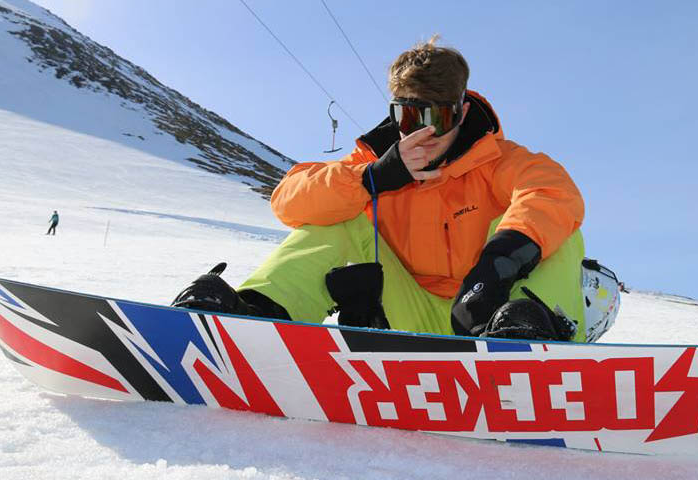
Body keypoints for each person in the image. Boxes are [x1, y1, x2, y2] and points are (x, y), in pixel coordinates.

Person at [174, 37, 587, 341]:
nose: (424, 133)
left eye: (438, 118)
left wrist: (497, 266)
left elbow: (553, 191)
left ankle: (529, 333)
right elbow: (288, 201)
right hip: (409, 315)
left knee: (556, 228)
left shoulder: (499, 160)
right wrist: (370, 179)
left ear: (461, 113)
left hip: (490, 313)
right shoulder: (372, 164)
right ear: (393, 114)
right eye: (409, 117)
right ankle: (256, 318)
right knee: (338, 214)